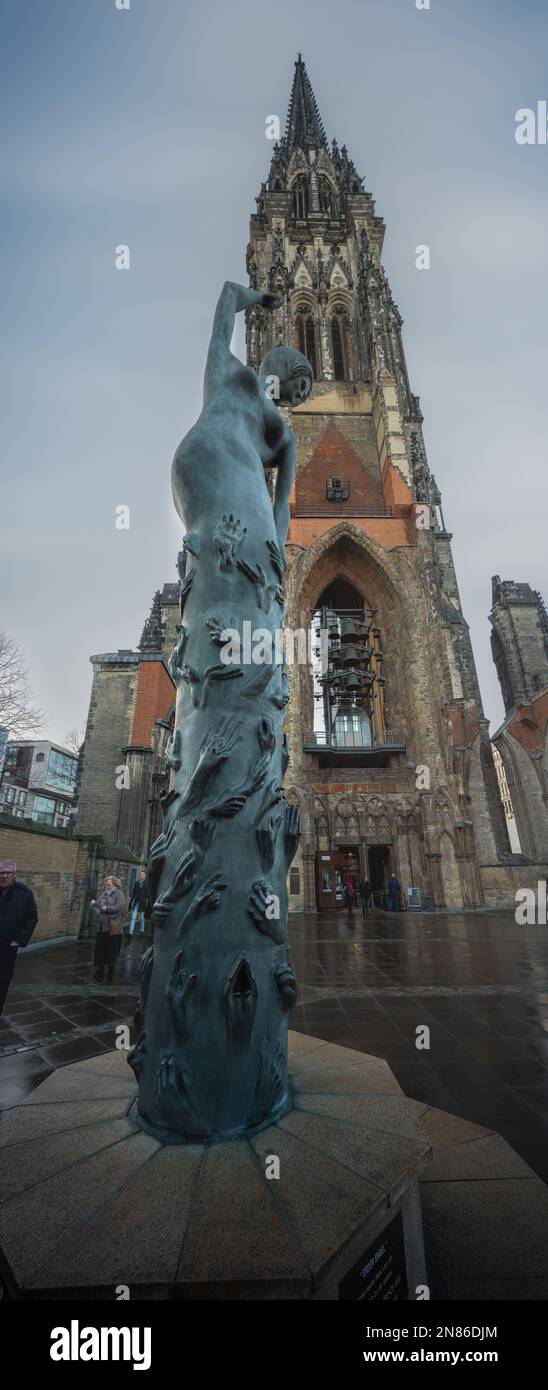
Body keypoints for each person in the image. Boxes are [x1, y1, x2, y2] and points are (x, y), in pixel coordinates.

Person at [0, 859, 38, 1013]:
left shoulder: (24, 893)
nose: (3, 876)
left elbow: (32, 917)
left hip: (8, 944)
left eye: (7, 873)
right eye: (1, 873)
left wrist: (19, 940)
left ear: (14, 874)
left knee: (3, 978)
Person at [90, 876, 125, 982]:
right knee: (100, 950)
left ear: (114, 884)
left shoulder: (119, 894)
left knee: (111, 951)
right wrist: (94, 904)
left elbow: (119, 907)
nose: (107, 886)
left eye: (108, 884)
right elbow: (99, 906)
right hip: (102, 927)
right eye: (106, 884)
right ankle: (100, 971)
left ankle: (110, 972)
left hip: (112, 928)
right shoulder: (104, 893)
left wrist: (107, 908)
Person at [127, 871, 150, 940]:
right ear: (139, 876)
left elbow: (148, 894)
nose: (142, 876)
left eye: (143, 874)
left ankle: (141, 931)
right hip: (136, 902)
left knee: (142, 918)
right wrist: (130, 903)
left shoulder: (147, 884)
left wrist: (148, 902)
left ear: (145, 876)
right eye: (141, 874)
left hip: (142, 903)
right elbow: (133, 893)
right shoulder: (136, 883)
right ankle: (130, 933)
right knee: (133, 917)